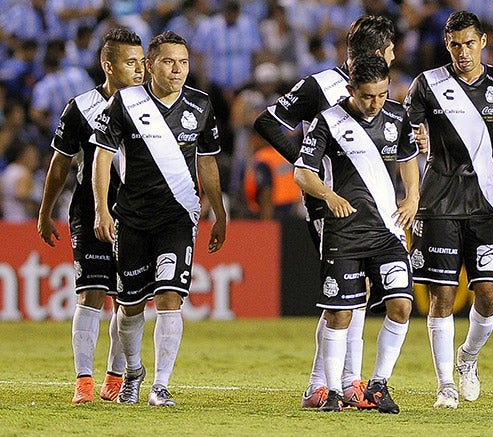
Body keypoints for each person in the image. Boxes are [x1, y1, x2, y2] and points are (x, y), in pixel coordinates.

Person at [253, 15, 396, 409]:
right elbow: (266, 122)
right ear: (375, 51)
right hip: (329, 203)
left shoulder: (378, 91)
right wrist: (308, 164)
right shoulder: (321, 85)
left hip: (371, 205)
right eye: (389, 50)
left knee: (357, 293)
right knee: (346, 294)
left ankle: (344, 382)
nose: (393, 57)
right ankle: (329, 383)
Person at [404, 10, 493, 409]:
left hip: (488, 202)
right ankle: (445, 384)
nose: (463, 52)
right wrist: (416, 141)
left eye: (469, 43)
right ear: (447, 46)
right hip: (439, 201)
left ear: (483, 42)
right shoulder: (427, 84)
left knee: (491, 294)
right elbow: (402, 135)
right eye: (455, 45)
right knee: (442, 296)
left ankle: (468, 357)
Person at [91, 30, 227, 407]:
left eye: (183, 62)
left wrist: (219, 212)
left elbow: (207, 162)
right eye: (169, 62)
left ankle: (161, 385)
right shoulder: (125, 103)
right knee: (130, 306)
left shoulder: (200, 104)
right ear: (150, 66)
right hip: (132, 219)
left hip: (177, 218)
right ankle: (133, 371)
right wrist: (101, 208)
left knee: (170, 297)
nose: (177, 70)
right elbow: (102, 157)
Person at [293, 54, 419, 414]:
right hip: (344, 232)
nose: (375, 103)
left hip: (387, 231)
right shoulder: (328, 122)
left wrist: (413, 197)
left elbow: (408, 157)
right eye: (367, 96)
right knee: (340, 314)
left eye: (382, 94)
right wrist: (328, 195)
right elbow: (302, 172)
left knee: (401, 305)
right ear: (351, 90)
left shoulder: (397, 116)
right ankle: (334, 390)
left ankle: (378, 384)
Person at [37, 28, 145, 404]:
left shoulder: (155, 108)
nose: (139, 70)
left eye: (142, 62)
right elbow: (60, 165)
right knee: (91, 293)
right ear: (108, 65)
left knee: (128, 300)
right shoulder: (81, 108)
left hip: (138, 215)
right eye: (130, 62)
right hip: (90, 211)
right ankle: (83, 380)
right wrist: (45, 211)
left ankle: (114, 376)